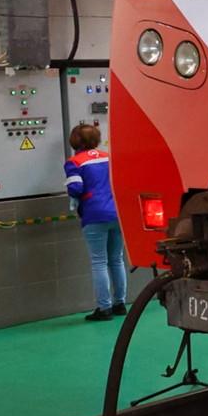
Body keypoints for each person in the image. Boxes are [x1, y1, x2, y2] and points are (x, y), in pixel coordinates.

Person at [65, 122, 127, 321]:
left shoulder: (74, 162)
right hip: (117, 213)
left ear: (75, 141)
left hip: (94, 214)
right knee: (117, 259)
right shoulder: (109, 157)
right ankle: (120, 303)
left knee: (99, 262)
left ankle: (104, 308)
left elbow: (75, 188)